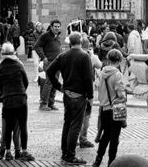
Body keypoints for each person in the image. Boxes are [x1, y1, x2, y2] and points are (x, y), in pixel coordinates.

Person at [46, 31, 95, 165]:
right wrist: (91, 97)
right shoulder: (84, 56)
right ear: (80, 41)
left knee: (67, 123)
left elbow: (49, 71)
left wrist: (58, 86)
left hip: (67, 94)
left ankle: (65, 152)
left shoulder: (63, 55)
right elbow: (88, 79)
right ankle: (71, 155)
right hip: (79, 96)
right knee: (75, 126)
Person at [0, 41, 33, 161]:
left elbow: (0, 85)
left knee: (8, 127)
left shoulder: (0, 66)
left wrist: (5, 92)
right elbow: (26, 81)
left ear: (3, 53)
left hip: (8, 99)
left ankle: (8, 151)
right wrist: (21, 90)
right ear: (13, 52)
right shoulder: (19, 64)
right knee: (23, 126)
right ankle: (24, 151)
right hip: (21, 98)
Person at [96, 48, 126, 167]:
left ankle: (98, 159)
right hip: (115, 109)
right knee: (114, 138)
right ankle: (111, 162)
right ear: (119, 61)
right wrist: (124, 96)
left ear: (108, 60)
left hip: (104, 109)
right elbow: (121, 94)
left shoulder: (102, 73)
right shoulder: (117, 74)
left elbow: (98, 88)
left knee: (105, 135)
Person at [34, 19, 63, 111]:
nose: (57, 28)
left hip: (57, 62)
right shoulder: (45, 35)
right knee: (49, 82)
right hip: (49, 62)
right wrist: (43, 57)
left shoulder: (57, 36)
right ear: (51, 27)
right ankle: (43, 104)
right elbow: (37, 46)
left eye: (58, 26)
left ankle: (51, 103)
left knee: (55, 83)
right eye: (55, 26)